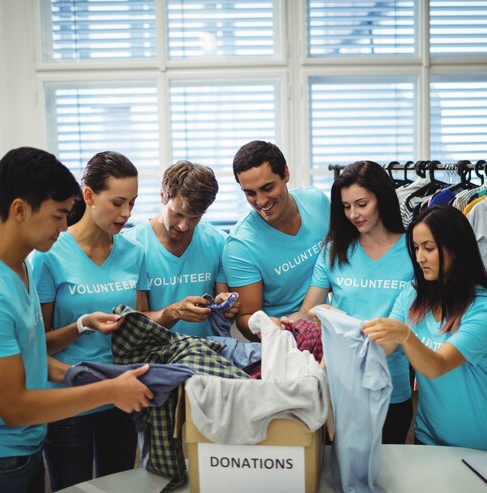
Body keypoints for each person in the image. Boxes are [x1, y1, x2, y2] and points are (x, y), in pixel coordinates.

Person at [0, 147, 154, 493]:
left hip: (21, 451)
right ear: (20, 210)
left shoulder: (20, 268)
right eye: (58, 215)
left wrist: (82, 341)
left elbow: (33, 354)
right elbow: (15, 407)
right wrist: (110, 390)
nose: (64, 226)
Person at [29, 151, 156, 490]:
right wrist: (82, 325)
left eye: (132, 203)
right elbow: (36, 345)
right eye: (117, 203)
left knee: (119, 487)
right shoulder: (48, 255)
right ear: (89, 196)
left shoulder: (135, 253)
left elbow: (140, 326)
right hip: (68, 400)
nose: (127, 213)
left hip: (120, 397)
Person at [361, 205, 487, 451]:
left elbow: (436, 366)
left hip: (478, 439)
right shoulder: (412, 294)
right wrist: (340, 328)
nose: (420, 257)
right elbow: (384, 345)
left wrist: (404, 334)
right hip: (428, 433)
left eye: (428, 248)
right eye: (416, 248)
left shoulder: (484, 309)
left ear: (456, 249)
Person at [291, 161, 414, 444]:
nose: (353, 214)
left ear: (382, 199)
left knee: (388, 465)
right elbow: (308, 311)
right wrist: (281, 322)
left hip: (392, 386)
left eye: (361, 204)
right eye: (346, 207)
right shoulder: (333, 251)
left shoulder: (413, 250)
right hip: (340, 385)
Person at [222, 141, 330, 340]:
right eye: (250, 193)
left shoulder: (317, 201)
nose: (261, 201)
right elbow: (246, 319)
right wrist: (264, 326)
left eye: (267, 187)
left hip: (330, 327)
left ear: (285, 174)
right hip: (285, 337)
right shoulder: (240, 245)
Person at [122, 160, 239, 337]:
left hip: (209, 350)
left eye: (194, 217)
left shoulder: (219, 242)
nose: (184, 226)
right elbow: (134, 325)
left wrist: (225, 305)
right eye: (177, 214)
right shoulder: (131, 245)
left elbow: (224, 312)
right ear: (162, 196)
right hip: (155, 351)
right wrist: (173, 313)